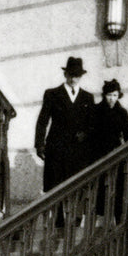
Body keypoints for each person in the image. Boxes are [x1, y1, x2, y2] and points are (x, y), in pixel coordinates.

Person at [35, 57, 94, 224]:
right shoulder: (52, 94)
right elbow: (43, 120)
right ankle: (59, 222)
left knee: (78, 185)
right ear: (65, 74)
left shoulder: (87, 98)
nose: (73, 78)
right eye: (70, 74)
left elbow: (93, 124)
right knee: (57, 186)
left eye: (76, 75)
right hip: (57, 149)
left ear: (81, 76)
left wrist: (86, 134)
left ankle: (76, 220)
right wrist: (39, 144)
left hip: (79, 151)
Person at [92, 79, 128, 222]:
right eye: (109, 95)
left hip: (117, 158)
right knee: (100, 195)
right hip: (99, 157)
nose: (112, 98)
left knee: (118, 193)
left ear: (118, 96)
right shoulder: (96, 111)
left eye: (115, 95)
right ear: (104, 95)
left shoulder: (122, 113)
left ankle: (118, 223)